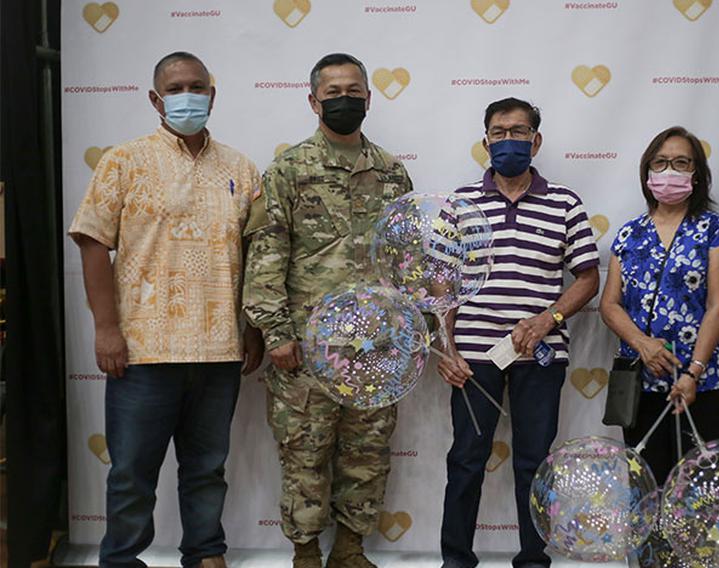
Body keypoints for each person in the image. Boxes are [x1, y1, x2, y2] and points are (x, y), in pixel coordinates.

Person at [69, 51, 264, 568]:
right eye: (175, 89)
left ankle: (205, 552)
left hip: (220, 349)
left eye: (196, 86)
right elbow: (92, 243)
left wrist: (253, 329)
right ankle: (121, 559)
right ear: (156, 99)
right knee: (132, 471)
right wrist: (106, 329)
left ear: (212, 94)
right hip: (142, 352)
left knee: (207, 467)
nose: (187, 96)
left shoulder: (241, 170)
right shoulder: (123, 161)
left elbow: (259, 256)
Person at [242, 53, 413, 568]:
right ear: (314, 101)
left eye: (354, 91)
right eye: (333, 92)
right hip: (306, 348)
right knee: (305, 455)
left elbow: (406, 259)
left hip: (376, 348)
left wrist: (412, 332)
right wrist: (275, 334)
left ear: (369, 98)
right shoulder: (289, 170)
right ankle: (305, 555)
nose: (345, 99)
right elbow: (266, 256)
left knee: (366, 455)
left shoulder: (391, 172)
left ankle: (351, 550)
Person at [437, 97, 600, 568]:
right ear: (485, 140)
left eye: (520, 131)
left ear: (537, 140)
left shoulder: (565, 202)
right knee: (467, 460)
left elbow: (588, 278)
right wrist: (447, 350)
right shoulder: (461, 203)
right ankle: (456, 560)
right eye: (500, 132)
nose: (509, 140)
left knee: (534, 462)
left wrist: (548, 320)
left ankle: (533, 560)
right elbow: (442, 286)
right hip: (473, 358)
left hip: (542, 355)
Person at [599, 125, 719, 566]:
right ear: (646, 172)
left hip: (703, 382)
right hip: (640, 380)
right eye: (660, 163)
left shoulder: (715, 229)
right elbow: (609, 305)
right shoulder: (628, 233)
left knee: (696, 488)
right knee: (645, 486)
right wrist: (642, 344)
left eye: (681, 163)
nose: (669, 171)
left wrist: (693, 371)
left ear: (697, 174)